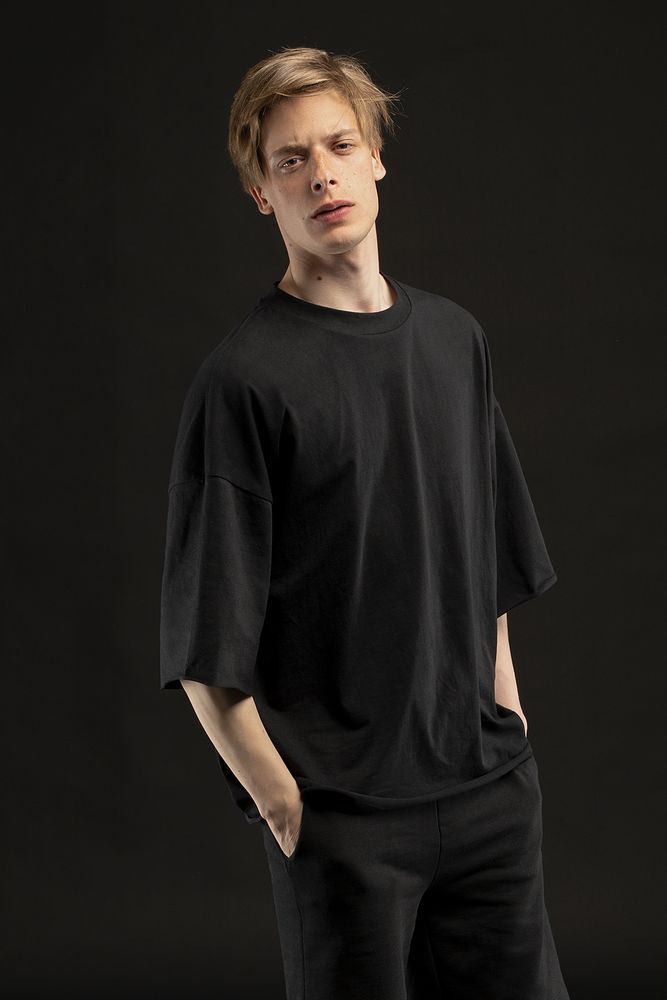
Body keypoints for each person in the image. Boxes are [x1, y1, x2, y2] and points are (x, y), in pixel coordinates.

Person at [159, 45, 571, 1000]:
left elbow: (489, 565)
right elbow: (202, 642)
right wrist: (285, 807)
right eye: (290, 159)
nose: (322, 174)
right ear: (261, 193)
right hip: (344, 824)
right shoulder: (244, 381)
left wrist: (505, 724)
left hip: (488, 796)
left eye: (340, 145)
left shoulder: (453, 340)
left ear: (376, 157)